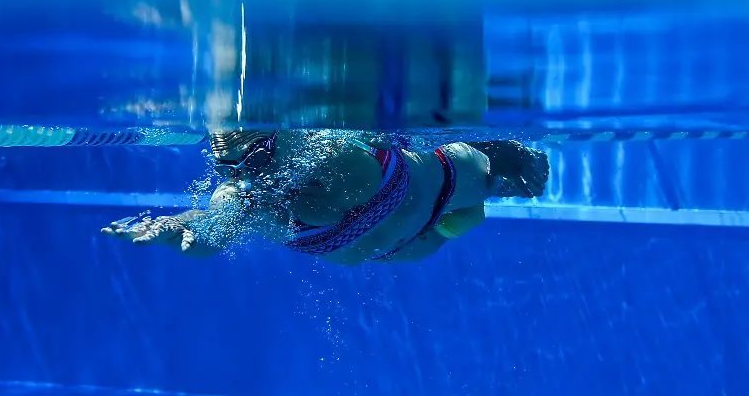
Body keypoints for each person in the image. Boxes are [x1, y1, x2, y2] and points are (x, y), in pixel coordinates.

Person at [101, 131, 548, 264]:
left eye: (254, 158)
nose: (243, 176)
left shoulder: (325, 147)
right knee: (455, 225)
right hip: (408, 246)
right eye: (226, 167)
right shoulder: (242, 192)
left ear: (280, 133)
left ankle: (506, 160)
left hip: (444, 182)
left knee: (521, 174)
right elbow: (213, 233)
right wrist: (177, 230)